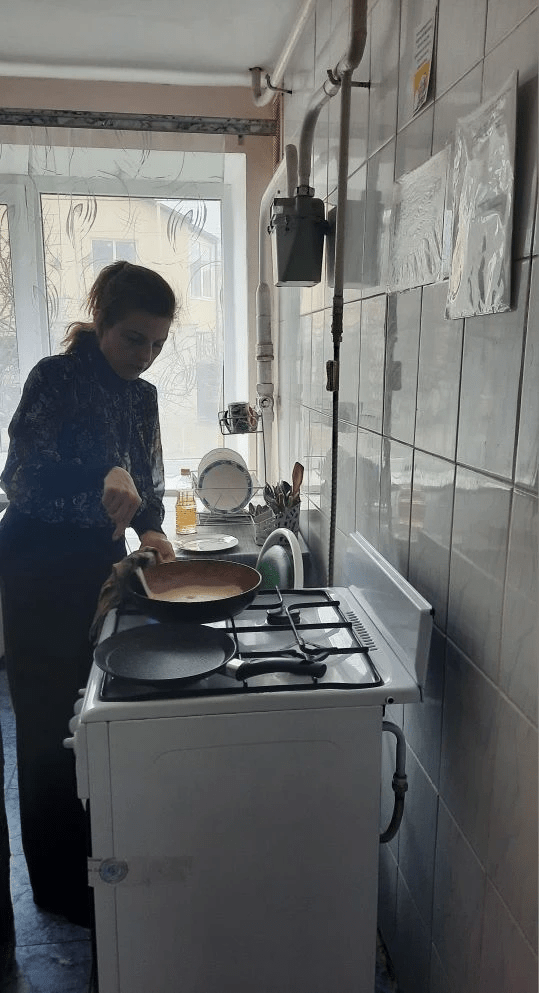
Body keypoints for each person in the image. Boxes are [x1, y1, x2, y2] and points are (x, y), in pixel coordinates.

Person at [0, 260, 176, 928]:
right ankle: (57, 888)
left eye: (158, 343)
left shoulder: (142, 397)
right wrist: (101, 474)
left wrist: (152, 528)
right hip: (38, 570)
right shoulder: (55, 379)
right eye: (134, 338)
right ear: (101, 322)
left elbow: (147, 484)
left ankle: (100, 865)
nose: (146, 354)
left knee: (93, 716)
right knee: (49, 727)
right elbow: (21, 480)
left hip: (99, 568)